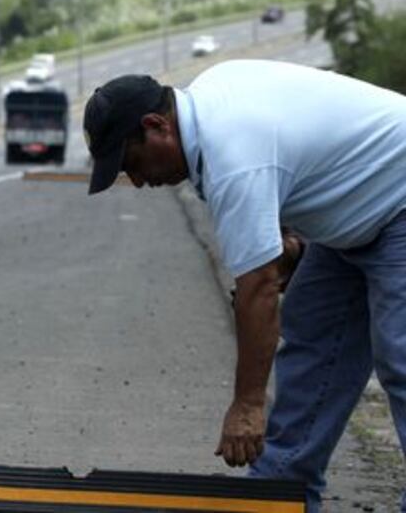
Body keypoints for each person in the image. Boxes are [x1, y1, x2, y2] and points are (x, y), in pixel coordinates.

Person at [83, 60, 406, 511]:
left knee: (400, 355)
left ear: (157, 126)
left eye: (132, 163)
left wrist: (248, 405)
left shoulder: (230, 154)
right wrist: (288, 246)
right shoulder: (210, 99)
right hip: (355, 212)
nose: (137, 181)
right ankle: (278, 494)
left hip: (397, 195)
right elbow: (289, 161)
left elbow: (258, 289)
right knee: (312, 336)